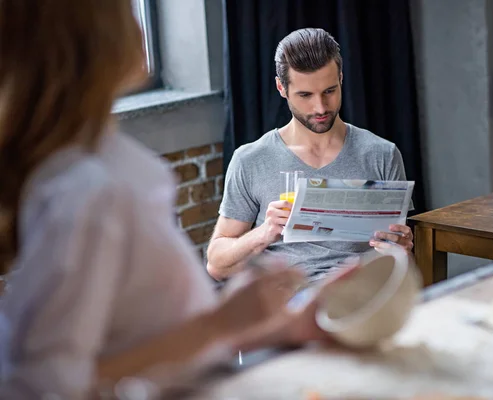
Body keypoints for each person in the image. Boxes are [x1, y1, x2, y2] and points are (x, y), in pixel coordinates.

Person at [0, 2, 337, 398]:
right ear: (95, 38)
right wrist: (223, 321)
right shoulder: (88, 189)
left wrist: (274, 326)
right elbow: (46, 384)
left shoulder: (98, 157)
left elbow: (143, 336)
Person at [207, 28, 414, 282]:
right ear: (281, 87)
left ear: (341, 78)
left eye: (329, 91)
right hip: (287, 302)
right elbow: (217, 266)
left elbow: (403, 268)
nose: (320, 108)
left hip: (358, 297)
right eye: (305, 95)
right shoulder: (250, 160)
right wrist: (265, 233)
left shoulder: (382, 154)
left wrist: (402, 251)